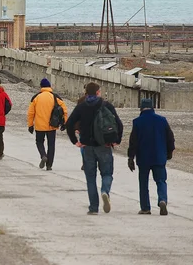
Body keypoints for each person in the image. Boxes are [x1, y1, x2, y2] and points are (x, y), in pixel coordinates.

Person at [65, 82, 123, 215]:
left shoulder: (82, 106)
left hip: (87, 147)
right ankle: (105, 191)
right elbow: (118, 124)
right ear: (97, 92)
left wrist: (76, 141)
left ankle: (93, 208)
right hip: (104, 145)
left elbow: (69, 124)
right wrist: (116, 141)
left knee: (90, 178)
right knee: (107, 173)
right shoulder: (106, 105)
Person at [127, 98, 175, 216]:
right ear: (153, 107)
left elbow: (133, 142)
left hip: (143, 158)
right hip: (159, 156)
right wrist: (169, 152)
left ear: (141, 108)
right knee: (161, 181)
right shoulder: (162, 120)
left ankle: (145, 208)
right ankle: (162, 200)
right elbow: (170, 138)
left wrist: (130, 158)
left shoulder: (137, 122)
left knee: (143, 183)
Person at [27, 78, 68, 171]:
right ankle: (49, 165)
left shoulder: (36, 97)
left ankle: (43, 155)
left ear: (41, 86)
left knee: (39, 142)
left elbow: (30, 113)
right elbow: (64, 110)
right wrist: (64, 123)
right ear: (50, 86)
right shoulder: (55, 97)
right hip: (52, 125)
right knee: (51, 145)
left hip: (39, 126)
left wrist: (30, 125)